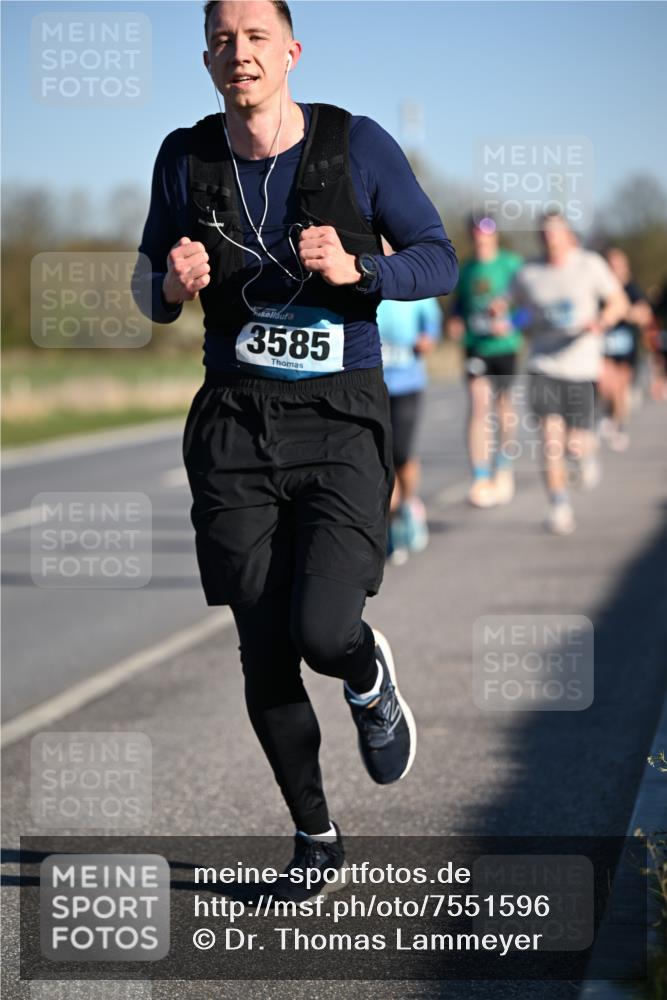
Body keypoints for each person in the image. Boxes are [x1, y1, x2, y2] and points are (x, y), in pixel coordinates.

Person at [132, 0, 457, 899]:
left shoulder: (356, 144)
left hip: (340, 414)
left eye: (256, 38)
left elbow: (438, 258)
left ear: (290, 53)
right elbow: (147, 285)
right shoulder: (184, 156)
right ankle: (314, 838)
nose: (239, 52)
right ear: (208, 61)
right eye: (223, 40)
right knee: (264, 648)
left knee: (321, 632)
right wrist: (169, 285)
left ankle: (364, 671)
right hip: (233, 422)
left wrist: (364, 270)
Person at [507, 212, 628, 535]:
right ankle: (558, 504)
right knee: (550, 439)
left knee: (577, 443)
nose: (550, 238)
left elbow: (619, 302)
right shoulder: (529, 272)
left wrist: (601, 322)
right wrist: (508, 320)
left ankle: (586, 457)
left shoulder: (589, 265)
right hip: (543, 364)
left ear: (569, 235)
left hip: (581, 365)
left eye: (556, 232)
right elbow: (516, 309)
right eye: (544, 233)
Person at [446, 216, 523, 508]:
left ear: (495, 235)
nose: (481, 239)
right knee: (479, 406)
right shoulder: (466, 269)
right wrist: (454, 322)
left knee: (503, 407)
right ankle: (480, 476)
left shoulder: (511, 264)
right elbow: (458, 306)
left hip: (504, 347)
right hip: (476, 347)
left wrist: (512, 323)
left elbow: (530, 306)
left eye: (486, 233)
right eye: (477, 234)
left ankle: (503, 466)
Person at [377, 293, 442, 564]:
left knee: (401, 454)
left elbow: (432, 328)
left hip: (406, 384)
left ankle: (409, 504)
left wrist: (427, 340)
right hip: (372, 387)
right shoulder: (364, 284)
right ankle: (390, 528)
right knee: (380, 459)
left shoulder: (414, 289)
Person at [597, 247, 653, 451]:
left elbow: (644, 313)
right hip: (604, 345)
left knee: (620, 390)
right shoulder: (601, 288)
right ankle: (607, 414)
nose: (615, 270)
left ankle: (618, 424)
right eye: (611, 266)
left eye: (618, 265)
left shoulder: (631, 288)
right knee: (605, 384)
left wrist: (624, 311)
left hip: (626, 347)